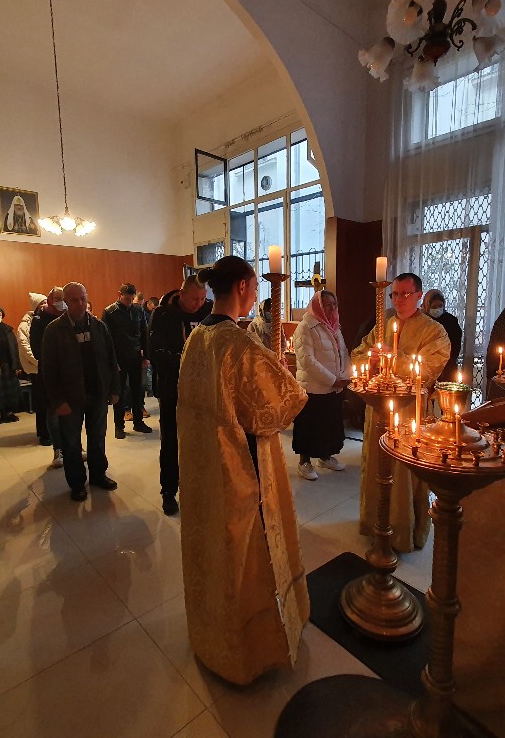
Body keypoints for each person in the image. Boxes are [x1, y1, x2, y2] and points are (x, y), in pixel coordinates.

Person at [178, 256, 309, 685]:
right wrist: (281, 371)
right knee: (245, 552)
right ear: (242, 287)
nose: (255, 295)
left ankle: (211, 637)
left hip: (202, 471)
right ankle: (249, 651)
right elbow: (283, 404)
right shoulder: (237, 344)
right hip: (238, 468)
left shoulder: (196, 338)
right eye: (254, 288)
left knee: (214, 549)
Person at [352, 272, 451, 552]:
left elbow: (428, 371)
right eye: (394, 294)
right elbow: (357, 355)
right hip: (378, 408)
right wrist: (371, 359)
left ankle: (404, 530)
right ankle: (375, 523)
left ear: (419, 296)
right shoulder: (383, 326)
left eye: (405, 294)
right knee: (376, 465)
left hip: (411, 412)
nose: (398, 300)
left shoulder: (434, 331)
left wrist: (392, 359)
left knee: (406, 470)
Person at [41, 282, 120, 502]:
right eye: (74, 300)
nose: (80, 303)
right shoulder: (54, 330)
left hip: (98, 393)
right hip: (70, 398)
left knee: (97, 438)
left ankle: (98, 475)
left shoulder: (99, 326)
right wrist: (58, 401)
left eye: (83, 298)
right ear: (66, 302)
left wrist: (114, 389)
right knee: (71, 443)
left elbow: (111, 359)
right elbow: (48, 370)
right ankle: (76, 483)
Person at [149, 277, 212, 515]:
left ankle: (199, 486)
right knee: (171, 441)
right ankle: (168, 491)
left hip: (203, 388)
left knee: (201, 440)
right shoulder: (163, 314)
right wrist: (190, 361)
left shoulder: (209, 311)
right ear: (182, 294)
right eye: (194, 299)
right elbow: (156, 353)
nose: (199, 304)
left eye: (202, 298)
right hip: (171, 388)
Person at [292, 290, 352, 480]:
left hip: (333, 387)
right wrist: (333, 379)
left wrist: (345, 375)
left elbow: (343, 353)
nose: (332, 308)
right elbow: (307, 361)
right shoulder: (305, 327)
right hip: (313, 388)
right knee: (309, 426)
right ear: (318, 306)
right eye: (327, 305)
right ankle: (304, 462)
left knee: (329, 425)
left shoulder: (334, 326)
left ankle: (325, 457)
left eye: (334, 304)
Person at [102, 283, 153, 439]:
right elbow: (107, 340)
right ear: (119, 295)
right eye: (126, 299)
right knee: (119, 392)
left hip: (136, 356)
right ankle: (119, 426)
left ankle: (138, 422)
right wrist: (112, 362)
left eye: (131, 299)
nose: (129, 302)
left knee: (138, 390)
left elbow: (144, 334)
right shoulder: (109, 312)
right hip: (118, 358)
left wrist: (146, 357)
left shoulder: (138, 310)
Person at [31, 287, 67, 466]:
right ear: (50, 300)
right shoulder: (39, 320)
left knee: (73, 413)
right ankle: (58, 449)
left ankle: (74, 446)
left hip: (70, 373)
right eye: (59, 298)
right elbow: (37, 350)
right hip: (50, 373)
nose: (62, 302)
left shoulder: (69, 317)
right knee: (53, 411)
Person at [16, 292, 46, 435]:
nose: (45, 305)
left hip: (47, 366)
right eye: (42, 303)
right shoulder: (25, 324)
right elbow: (25, 346)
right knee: (41, 402)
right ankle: (43, 433)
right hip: (36, 368)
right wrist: (39, 362)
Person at [423, 289, 463, 382]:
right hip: (427, 366)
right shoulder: (423, 322)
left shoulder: (451, 320)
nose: (437, 309)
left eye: (440, 306)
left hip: (448, 366)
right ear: (427, 306)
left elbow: (456, 344)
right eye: (433, 307)